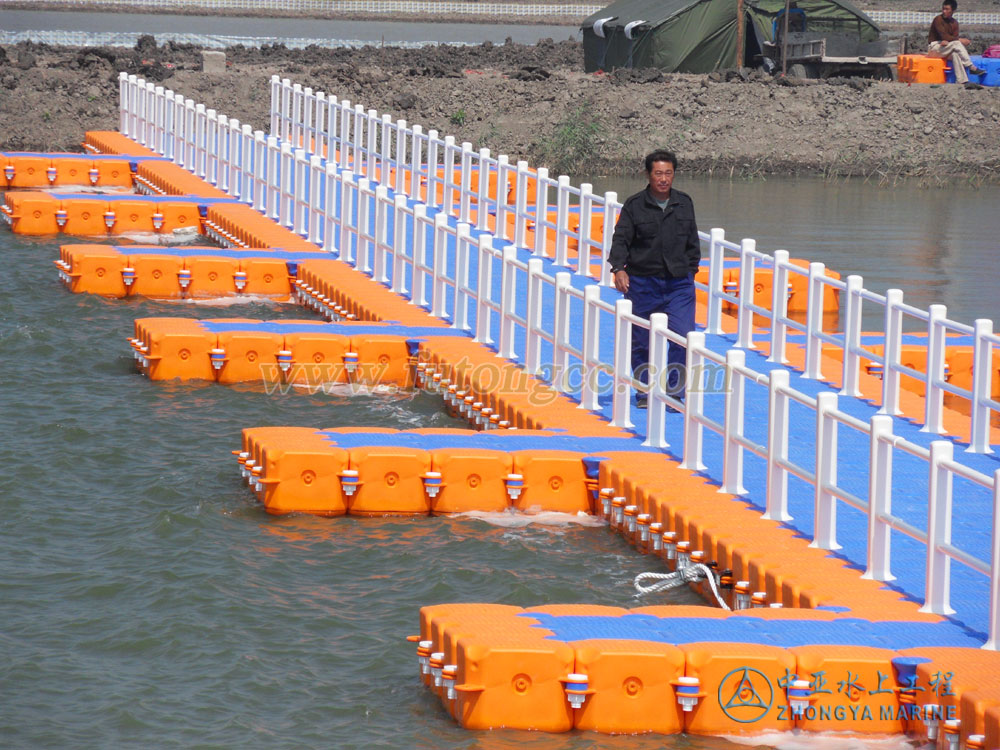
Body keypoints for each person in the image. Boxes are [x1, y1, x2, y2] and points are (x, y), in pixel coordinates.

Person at [607, 150, 700, 409]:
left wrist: (691, 270)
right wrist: (618, 269)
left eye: (668, 173)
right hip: (643, 283)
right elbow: (621, 239)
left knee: (683, 337)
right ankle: (644, 391)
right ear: (648, 174)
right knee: (641, 340)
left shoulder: (684, 202)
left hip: (678, 284)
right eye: (658, 173)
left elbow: (692, 241)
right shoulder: (635, 205)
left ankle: (674, 392)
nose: (663, 179)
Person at [928, 0, 985, 84]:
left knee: (955, 54)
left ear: (953, 11)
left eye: (947, 9)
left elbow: (951, 38)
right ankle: (971, 67)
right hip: (934, 48)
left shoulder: (954, 23)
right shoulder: (938, 20)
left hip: (945, 48)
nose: (944, 11)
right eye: (943, 9)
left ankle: (962, 80)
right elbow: (946, 37)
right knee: (957, 43)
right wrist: (958, 40)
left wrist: (949, 41)